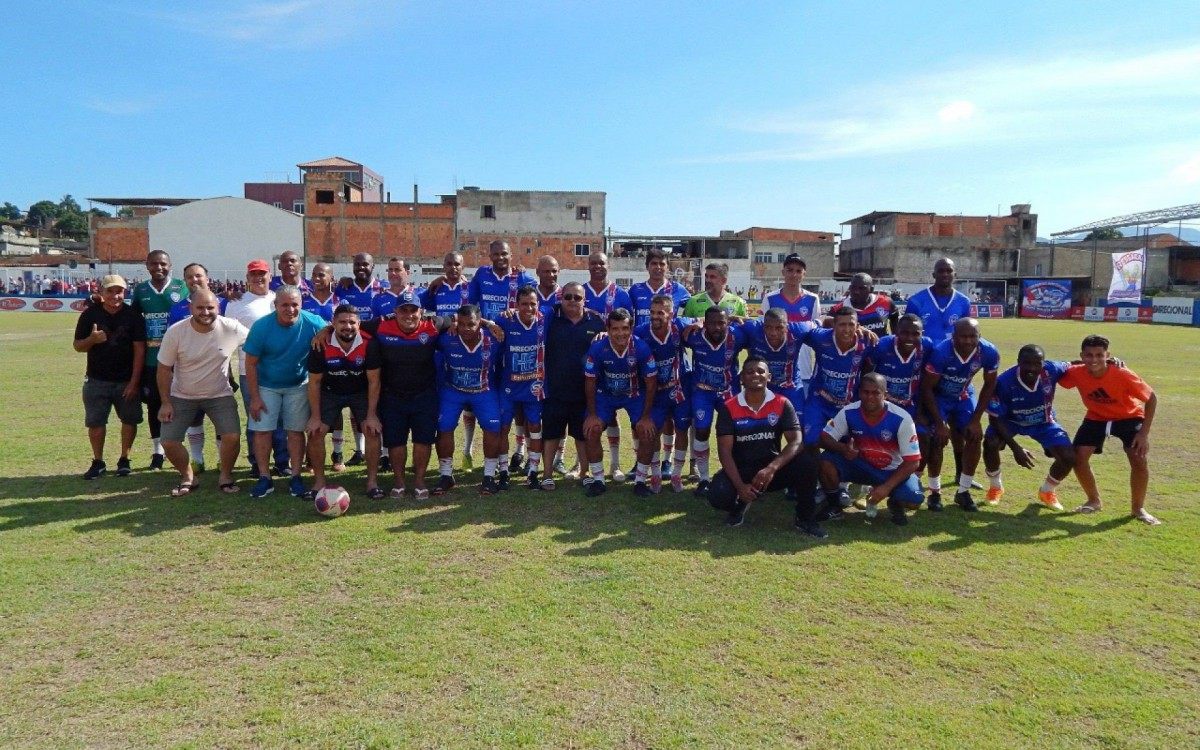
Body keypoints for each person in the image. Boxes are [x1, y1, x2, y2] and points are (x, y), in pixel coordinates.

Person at [708, 357, 823, 536]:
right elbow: (724, 451)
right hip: (743, 470)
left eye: (761, 371)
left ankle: (805, 518)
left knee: (808, 461)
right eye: (750, 372)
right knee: (718, 495)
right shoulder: (729, 407)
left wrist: (771, 468)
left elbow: (796, 441)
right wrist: (739, 486)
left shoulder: (782, 403)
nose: (756, 374)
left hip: (771, 472)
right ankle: (741, 501)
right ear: (742, 378)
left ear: (768, 377)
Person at [1058, 335, 1159, 525]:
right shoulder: (1076, 372)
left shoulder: (1122, 373)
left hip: (1128, 417)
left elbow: (1151, 398)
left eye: (1099, 355)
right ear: (1082, 355)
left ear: (1108, 355)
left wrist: (1143, 434)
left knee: (1138, 457)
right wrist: (1075, 363)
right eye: (1089, 355)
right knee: (1078, 458)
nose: (1094, 359)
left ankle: (1138, 508)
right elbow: (1059, 374)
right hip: (1096, 417)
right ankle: (1093, 500)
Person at [156, 290, 248, 496]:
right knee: (168, 441)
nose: (205, 312)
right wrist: (165, 402)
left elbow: (258, 340)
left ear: (218, 308)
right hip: (182, 395)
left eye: (210, 307)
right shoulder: (176, 332)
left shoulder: (231, 327)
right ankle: (188, 476)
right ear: (190, 309)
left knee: (232, 436)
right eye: (200, 308)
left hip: (219, 394)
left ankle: (225, 475)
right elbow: (163, 368)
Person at [243, 286, 328, 499]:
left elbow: (333, 329)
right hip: (266, 385)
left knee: (295, 431)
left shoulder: (313, 322)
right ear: (275, 305)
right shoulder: (262, 327)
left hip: (299, 385)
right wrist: (254, 397)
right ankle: (265, 477)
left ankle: (296, 476)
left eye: (294, 304)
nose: (290, 309)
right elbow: (250, 364)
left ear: (301, 305)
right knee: (262, 431)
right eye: (284, 305)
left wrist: (327, 329)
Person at [819, 373, 924, 526]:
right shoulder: (849, 412)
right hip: (859, 466)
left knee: (914, 499)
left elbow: (913, 462)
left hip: (890, 470)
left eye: (876, 393)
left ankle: (895, 503)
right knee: (825, 461)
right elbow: (824, 437)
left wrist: (885, 488)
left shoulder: (902, 419)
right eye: (866, 392)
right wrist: (843, 449)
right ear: (859, 392)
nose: (870, 397)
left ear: (885, 395)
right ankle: (834, 506)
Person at [304, 304, 383, 500]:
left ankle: (372, 482)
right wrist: (314, 417)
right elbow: (314, 383)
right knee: (315, 432)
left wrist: (372, 415)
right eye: (342, 322)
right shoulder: (320, 344)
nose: (347, 326)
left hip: (360, 392)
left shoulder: (369, 343)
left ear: (359, 324)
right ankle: (319, 482)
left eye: (351, 322)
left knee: (372, 430)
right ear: (333, 323)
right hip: (330, 392)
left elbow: (374, 381)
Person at [982, 345, 1076, 510]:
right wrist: (1016, 449)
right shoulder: (1004, 382)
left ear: (1043, 363)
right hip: (1010, 422)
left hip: (1043, 422)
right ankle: (995, 487)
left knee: (1068, 456)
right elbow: (994, 419)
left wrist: (1107, 362)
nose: (1032, 368)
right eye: (1026, 363)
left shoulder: (1052, 369)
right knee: (990, 443)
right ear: (1018, 362)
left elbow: (1073, 364)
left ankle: (1047, 491)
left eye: (1037, 363)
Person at [921, 318, 1000, 512]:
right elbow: (927, 388)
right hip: (939, 397)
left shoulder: (989, 352)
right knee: (936, 439)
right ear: (953, 337)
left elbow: (990, 385)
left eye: (972, 336)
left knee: (974, 436)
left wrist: (976, 420)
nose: (967, 341)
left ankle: (963, 491)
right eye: (962, 336)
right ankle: (934, 492)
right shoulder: (941, 352)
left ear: (979, 336)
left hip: (963, 395)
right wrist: (940, 424)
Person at [73, 274, 146, 480]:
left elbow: (140, 350)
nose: (115, 296)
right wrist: (92, 339)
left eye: (119, 291)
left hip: (125, 380)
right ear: (101, 293)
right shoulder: (89, 315)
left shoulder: (133, 316)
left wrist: (134, 382)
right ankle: (98, 461)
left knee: (129, 420)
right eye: (110, 291)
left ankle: (125, 458)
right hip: (96, 379)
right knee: (96, 422)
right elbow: (78, 346)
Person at [582, 309, 660, 497]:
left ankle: (640, 481)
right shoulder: (598, 348)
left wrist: (647, 416)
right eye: (615, 329)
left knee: (647, 431)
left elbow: (651, 383)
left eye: (625, 328)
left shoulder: (641, 348)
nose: (620, 333)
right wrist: (592, 415)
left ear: (631, 328)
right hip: (605, 395)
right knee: (591, 430)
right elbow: (590, 381)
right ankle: (598, 479)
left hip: (633, 395)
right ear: (607, 329)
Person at [434, 304, 508, 495]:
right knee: (444, 427)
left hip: (484, 390)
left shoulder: (494, 337)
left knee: (493, 428)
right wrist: (451, 322)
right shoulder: (447, 338)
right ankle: (446, 475)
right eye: (463, 324)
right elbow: (431, 322)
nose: (467, 329)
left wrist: (490, 323)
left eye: (472, 324)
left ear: (480, 325)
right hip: (453, 391)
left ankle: (489, 476)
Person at [539, 281, 606, 489]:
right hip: (555, 389)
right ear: (561, 298)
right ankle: (547, 475)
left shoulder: (596, 321)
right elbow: (530, 311)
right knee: (551, 435)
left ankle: (584, 473)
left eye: (577, 297)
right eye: (567, 297)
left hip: (584, 391)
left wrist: (605, 335)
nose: (572, 301)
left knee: (582, 435)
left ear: (585, 300)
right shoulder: (551, 318)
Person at [225, 259, 288, 477]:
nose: (259, 278)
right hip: (248, 370)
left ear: (270, 276)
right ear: (247, 278)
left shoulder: (279, 300)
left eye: (262, 274)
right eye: (254, 274)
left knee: (281, 417)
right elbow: (228, 339)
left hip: (278, 369)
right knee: (256, 416)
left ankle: (282, 461)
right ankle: (256, 462)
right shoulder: (236, 303)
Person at [129, 250, 188, 470]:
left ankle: (180, 447)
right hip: (153, 359)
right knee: (155, 404)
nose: (159, 268)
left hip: (181, 359)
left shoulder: (180, 287)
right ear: (147, 266)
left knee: (184, 404)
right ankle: (158, 451)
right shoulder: (141, 290)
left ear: (170, 265)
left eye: (163, 264)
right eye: (154, 264)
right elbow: (132, 320)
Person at [167, 262, 227, 472]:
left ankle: (222, 458)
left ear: (207, 278)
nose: (195, 280)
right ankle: (197, 458)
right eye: (190, 277)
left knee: (222, 421)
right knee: (194, 418)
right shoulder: (177, 308)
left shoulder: (224, 303)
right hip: (187, 373)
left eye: (198, 276)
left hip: (219, 372)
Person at [682, 307, 747, 496]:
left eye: (722, 323)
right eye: (712, 323)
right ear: (705, 323)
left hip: (728, 391)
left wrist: (748, 368)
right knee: (702, 430)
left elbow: (757, 340)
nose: (717, 327)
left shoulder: (738, 336)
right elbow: (675, 328)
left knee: (733, 432)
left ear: (728, 323)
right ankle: (703, 478)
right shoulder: (693, 336)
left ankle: (733, 475)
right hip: (702, 391)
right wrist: (695, 322)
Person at [421, 251, 477, 470]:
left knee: (469, 403)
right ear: (443, 266)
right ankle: (442, 456)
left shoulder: (471, 289)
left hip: (466, 352)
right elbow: (419, 308)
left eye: (457, 264)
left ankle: (469, 449)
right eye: (449, 264)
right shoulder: (437, 288)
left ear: (463, 267)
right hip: (440, 352)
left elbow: (477, 315)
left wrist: (453, 319)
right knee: (445, 404)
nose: (453, 268)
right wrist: (430, 286)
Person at [866, 314, 933, 494]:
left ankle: (915, 478)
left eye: (915, 334)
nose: (910, 338)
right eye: (905, 333)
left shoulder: (928, 347)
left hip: (911, 406)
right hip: (882, 407)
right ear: (896, 332)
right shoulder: (882, 346)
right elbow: (866, 375)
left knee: (924, 437)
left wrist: (921, 411)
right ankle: (869, 480)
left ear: (922, 334)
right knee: (877, 439)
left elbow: (929, 379)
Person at [633, 294, 693, 493]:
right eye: (652, 312)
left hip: (677, 389)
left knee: (682, 428)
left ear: (671, 314)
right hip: (655, 393)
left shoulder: (680, 326)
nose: (655, 316)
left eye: (660, 313)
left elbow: (700, 322)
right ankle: (656, 474)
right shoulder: (641, 332)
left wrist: (698, 324)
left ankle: (676, 473)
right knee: (653, 432)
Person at [496, 287, 550, 489]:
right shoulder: (505, 320)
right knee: (503, 427)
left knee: (535, 428)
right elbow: (482, 323)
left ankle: (533, 472)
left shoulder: (546, 319)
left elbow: (571, 307)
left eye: (533, 304)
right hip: (508, 386)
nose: (529, 308)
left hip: (534, 387)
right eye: (524, 304)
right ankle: (503, 472)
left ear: (538, 305)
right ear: (516, 305)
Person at [760, 253, 821, 400]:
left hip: (803, 370)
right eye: (790, 270)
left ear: (804, 274)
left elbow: (816, 333)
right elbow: (763, 331)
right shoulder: (770, 298)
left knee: (798, 420)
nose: (794, 274)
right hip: (774, 371)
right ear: (783, 272)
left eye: (798, 271)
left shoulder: (813, 299)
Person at [902, 257, 972, 344]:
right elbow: (905, 333)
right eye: (941, 271)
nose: (945, 274)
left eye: (949, 271)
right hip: (924, 354)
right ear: (934, 275)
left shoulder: (964, 302)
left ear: (955, 274)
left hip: (951, 355)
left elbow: (968, 332)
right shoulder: (916, 301)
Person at [627, 247, 691, 328]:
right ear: (647, 266)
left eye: (662, 264)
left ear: (667, 268)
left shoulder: (678, 289)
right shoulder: (635, 290)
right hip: (642, 339)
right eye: (654, 263)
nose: (658, 267)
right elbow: (625, 315)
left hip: (667, 339)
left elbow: (695, 308)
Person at [829, 272, 898, 337]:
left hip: (880, 349)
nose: (856, 292)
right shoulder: (837, 310)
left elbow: (895, 322)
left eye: (862, 288)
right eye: (853, 287)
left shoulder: (886, 302)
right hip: (854, 349)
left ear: (871, 289)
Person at [682, 262, 747, 318]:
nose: (707, 280)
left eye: (712, 277)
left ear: (724, 280)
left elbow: (746, 328)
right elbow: (684, 327)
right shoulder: (693, 301)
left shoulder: (738, 302)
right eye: (706, 276)